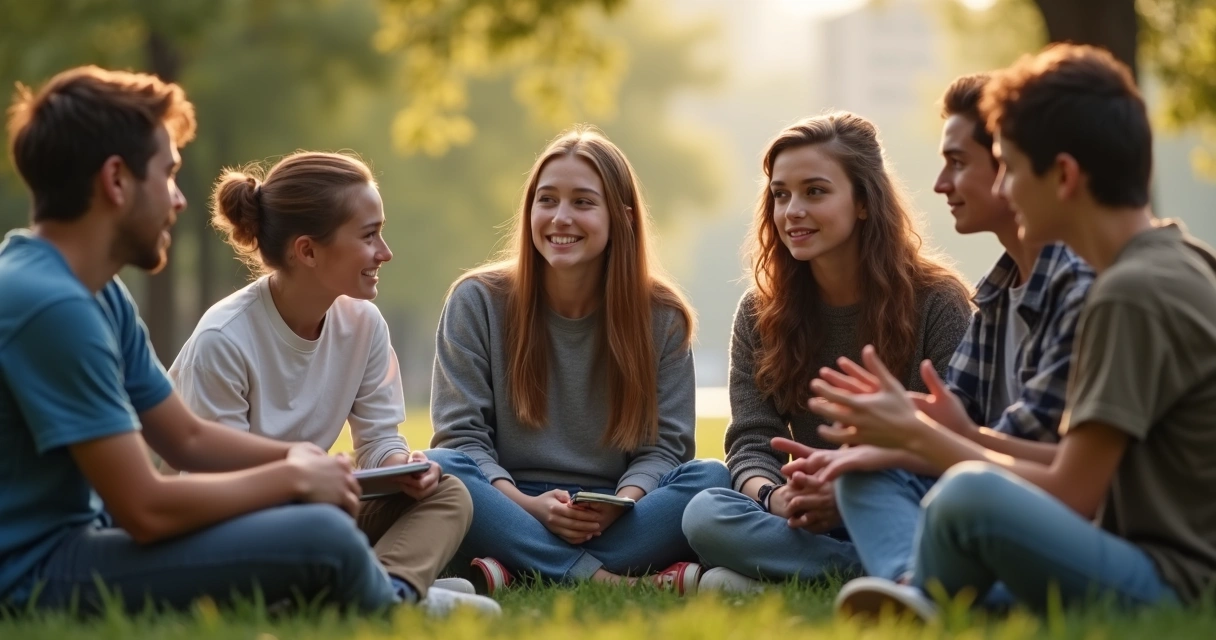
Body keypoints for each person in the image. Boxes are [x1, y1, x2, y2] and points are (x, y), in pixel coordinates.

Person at [813, 44, 1216, 620]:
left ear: (1065, 176)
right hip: (1120, 550)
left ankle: (922, 596)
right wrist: (962, 432)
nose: (1004, 191)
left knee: (968, 494)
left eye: (1013, 169)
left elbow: (1075, 494)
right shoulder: (1170, 260)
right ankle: (929, 595)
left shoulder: (1130, 292)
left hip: (1166, 582)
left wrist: (928, 441)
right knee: (915, 479)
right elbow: (1072, 466)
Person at [0, 66, 397, 614]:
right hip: (32, 573)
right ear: (116, 181)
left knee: (316, 518)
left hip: (86, 533)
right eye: (167, 174)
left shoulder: (98, 292)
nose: (180, 199)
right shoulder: (49, 305)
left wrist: (304, 460)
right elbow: (146, 507)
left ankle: (352, 589)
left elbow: (185, 436)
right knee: (319, 538)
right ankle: (401, 607)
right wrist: (289, 478)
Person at [167, 151, 496, 615]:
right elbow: (218, 486)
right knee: (319, 524)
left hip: (308, 509)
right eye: (369, 235)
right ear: (307, 251)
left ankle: (384, 593)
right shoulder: (224, 338)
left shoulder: (364, 325)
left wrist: (403, 466)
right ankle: (387, 595)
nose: (385, 251)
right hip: (225, 527)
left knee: (448, 491)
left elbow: (379, 441)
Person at [426, 126, 729, 595]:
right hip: (506, 500)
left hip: (615, 513)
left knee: (710, 478)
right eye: (546, 200)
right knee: (441, 464)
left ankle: (513, 567)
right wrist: (529, 509)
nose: (560, 217)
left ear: (622, 218)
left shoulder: (662, 316)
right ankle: (606, 579)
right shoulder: (478, 300)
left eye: (583, 203)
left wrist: (620, 504)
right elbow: (462, 439)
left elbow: (664, 450)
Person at [679, 112, 972, 593]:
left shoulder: (938, 302)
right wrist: (778, 497)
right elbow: (751, 441)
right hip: (801, 514)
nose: (792, 210)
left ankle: (817, 572)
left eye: (815, 191)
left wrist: (849, 488)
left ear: (862, 201)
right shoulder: (760, 312)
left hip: (901, 502)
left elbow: (953, 442)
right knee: (705, 513)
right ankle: (870, 573)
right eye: (780, 194)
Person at [821, 74, 1093, 591]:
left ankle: (917, 584)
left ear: (1013, 169)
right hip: (987, 490)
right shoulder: (995, 293)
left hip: (1052, 513)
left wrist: (918, 436)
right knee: (864, 478)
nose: (941, 183)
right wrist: (858, 457)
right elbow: (956, 425)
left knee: (961, 491)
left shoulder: (1079, 287)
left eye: (959, 163)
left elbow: (1002, 449)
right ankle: (913, 583)